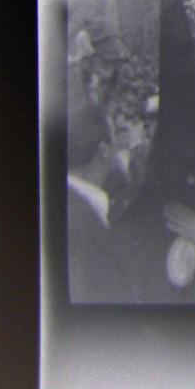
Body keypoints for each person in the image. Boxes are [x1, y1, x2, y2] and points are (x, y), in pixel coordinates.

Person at [67, 103, 134, 302]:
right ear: (104, 149)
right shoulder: (77, 217)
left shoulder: (75, 204)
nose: (120, 148)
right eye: (116, 139)